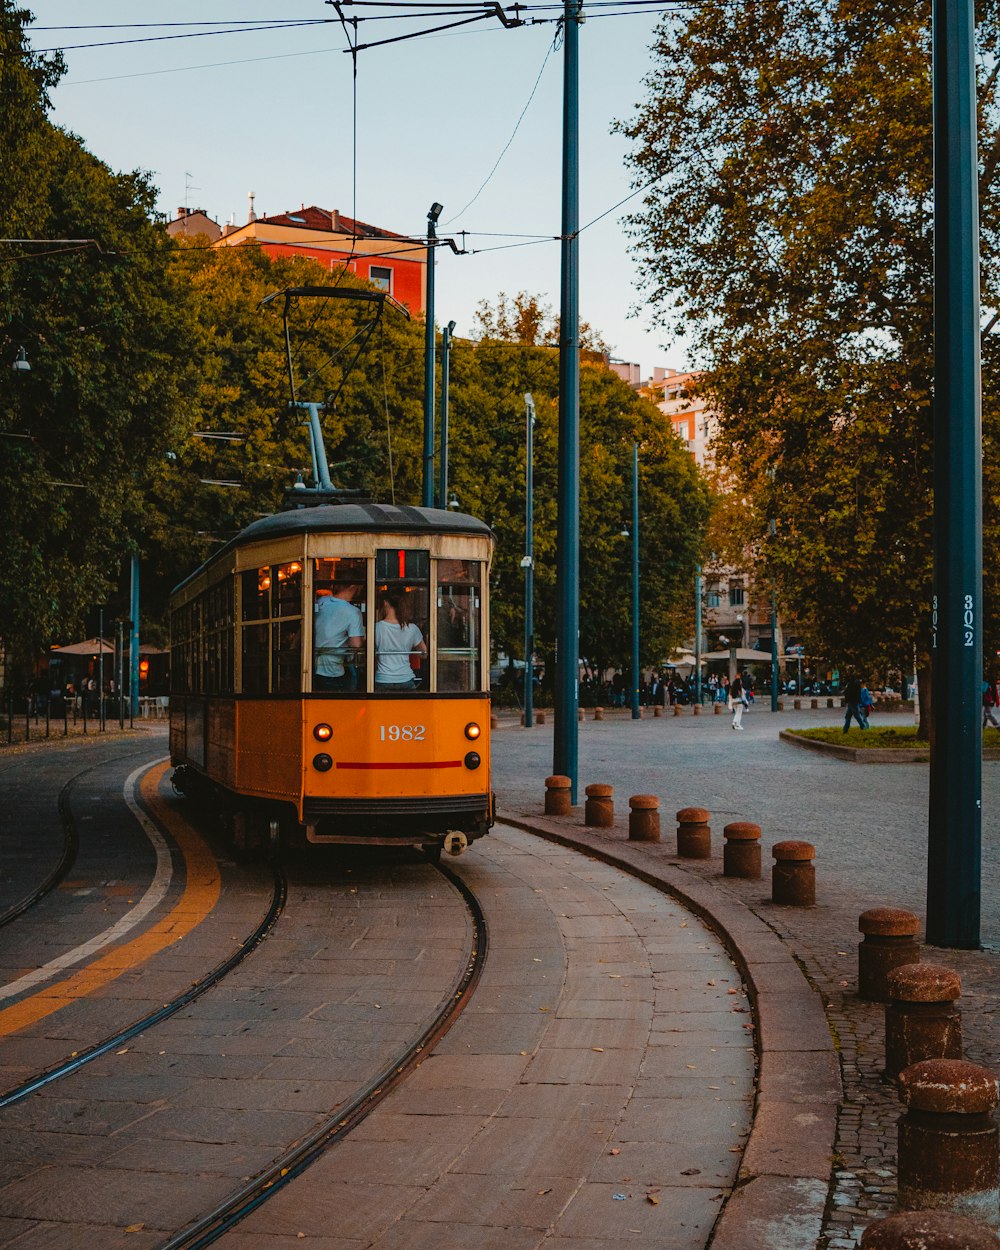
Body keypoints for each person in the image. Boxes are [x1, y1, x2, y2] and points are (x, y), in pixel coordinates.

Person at [314, 580, 364, 691]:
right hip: (333, 670)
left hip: (312, 666)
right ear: (353, 586)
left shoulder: (322, 601)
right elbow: (356, 644)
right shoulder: (353, 612)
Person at [375, 593, 427, 692]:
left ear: (385, 603)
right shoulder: (412, 628)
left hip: (383, 679)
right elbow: (424, 654)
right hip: (406, 678)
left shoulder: (376, 628)